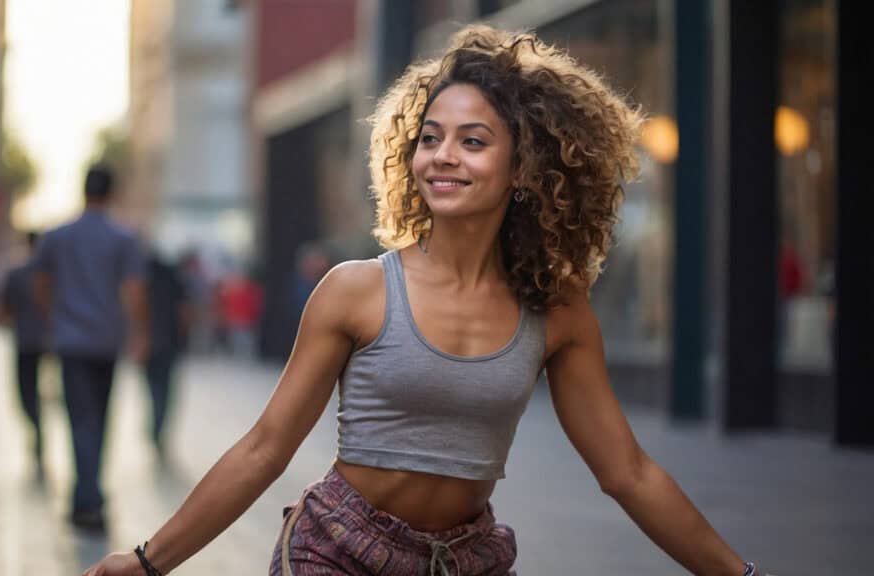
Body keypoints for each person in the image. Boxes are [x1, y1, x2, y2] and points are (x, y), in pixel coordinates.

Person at [84, 26, 774, 575]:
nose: (443, 156)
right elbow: (264, 449)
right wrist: (149, 563)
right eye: (430, 139)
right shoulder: (355, 291)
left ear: (524, 165)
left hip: (464, 562)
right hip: (337, 551)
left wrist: (737, 573)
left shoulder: (557, 309)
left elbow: (627, 472)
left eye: (473, 142)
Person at [32, 164, 148, 532]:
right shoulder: (124, 238)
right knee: (100, 418)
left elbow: (39, 282)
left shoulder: (57, 236)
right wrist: (138, 332)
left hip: (70, 340)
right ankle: (91, 495)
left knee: (78, 418)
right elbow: (133, 291)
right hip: (106, 340)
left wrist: (55, 315)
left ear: (83, 191)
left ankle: (85, 498)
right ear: (112, 193)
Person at [0, 231, 49, 476]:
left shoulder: (16, 273)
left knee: (26, 392)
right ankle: (39, 427)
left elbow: (4, 309)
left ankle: (37, 425)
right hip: (48, 342)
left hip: (27, 342)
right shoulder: (52, 274)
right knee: (39, 394)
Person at [144, 249, 191, 455]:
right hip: (168, 342)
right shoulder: (175, 282)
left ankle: (155, 427)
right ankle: (157, 428)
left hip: (151, 341)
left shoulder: (145, 283)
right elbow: (184, 313)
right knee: (164, 391)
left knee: (153, 390)